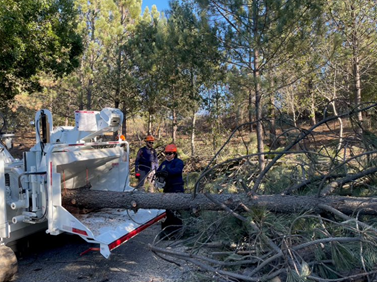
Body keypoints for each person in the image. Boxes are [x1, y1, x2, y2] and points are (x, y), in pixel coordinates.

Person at [156, 143, 184, 239]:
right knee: (168, 211)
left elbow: (177, 171)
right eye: (166, 153)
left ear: (174, 153)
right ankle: (168, 231)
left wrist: (167, 172)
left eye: (170, 153)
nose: (168, 155)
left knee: (176, 211)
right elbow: (158, 171)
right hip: (167, 188)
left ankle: (177, 231)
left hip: (177, 188)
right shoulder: (164, 163)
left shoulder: (178, 162)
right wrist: (159, 174)